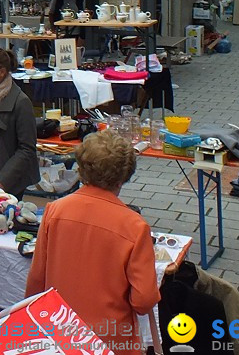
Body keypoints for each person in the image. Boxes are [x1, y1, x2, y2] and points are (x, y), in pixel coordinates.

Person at [26, 131, 160, 353]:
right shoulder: (134, 226)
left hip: (60, 330)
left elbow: (36, 279)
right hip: (110, 339)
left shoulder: (55, 210)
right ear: (123, 176)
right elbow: (144, 301)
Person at [0, 47, 39, 198]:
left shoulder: (21, 102)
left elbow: (27, 149)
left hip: (8, 182)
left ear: (2, 72)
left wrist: (2, 182)